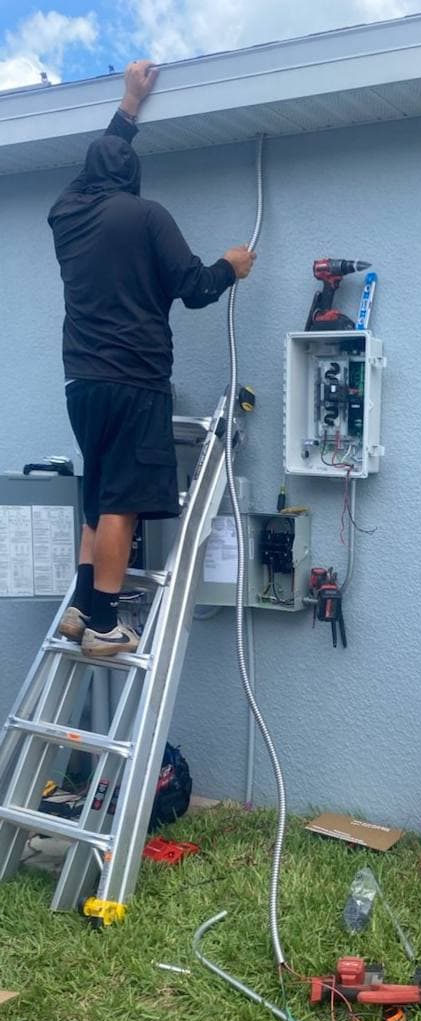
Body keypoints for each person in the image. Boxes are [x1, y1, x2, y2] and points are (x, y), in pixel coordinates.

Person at [48, 60, 256, 658]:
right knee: (123, 501)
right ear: (132, 178)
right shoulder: (146, 217)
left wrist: (127, 105)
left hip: (81, 383)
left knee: (98, 494)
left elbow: (105, 154)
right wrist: (232, 268)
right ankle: (106, 625)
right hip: (134, 380)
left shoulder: (66, 214)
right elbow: (192, 286)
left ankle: (81, 607)